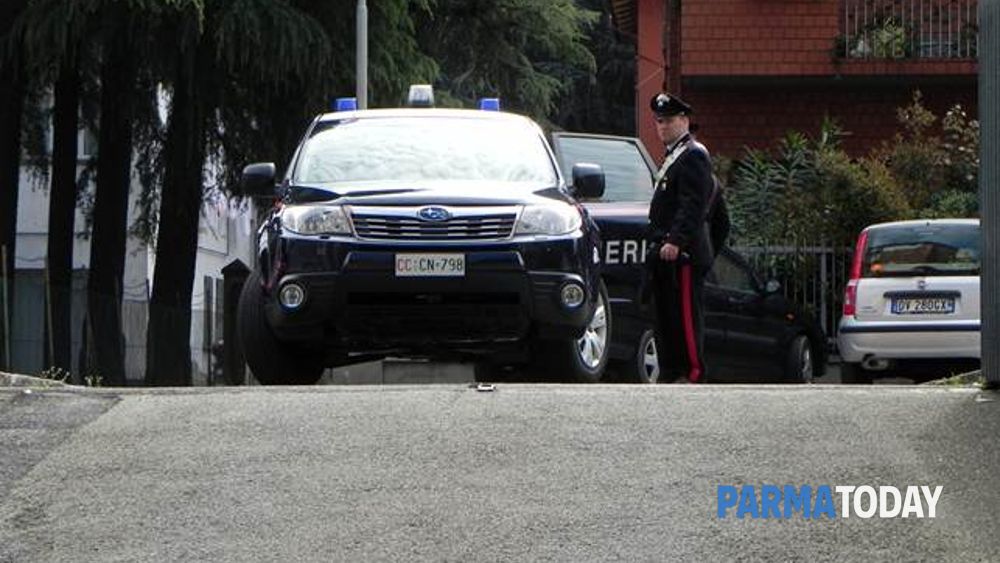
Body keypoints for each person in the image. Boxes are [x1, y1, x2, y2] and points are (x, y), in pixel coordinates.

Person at [644, 92, 726, 383]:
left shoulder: (693, 154)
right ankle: (671, 370)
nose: (661, 127)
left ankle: (693, 373)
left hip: (684, 253)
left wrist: (677, 240)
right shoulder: (673, 157)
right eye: (658, 122)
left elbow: (694, 205)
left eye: (667, 121)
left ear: (684, 121)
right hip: (667, 252)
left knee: (687, 318)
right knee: (666, 317)